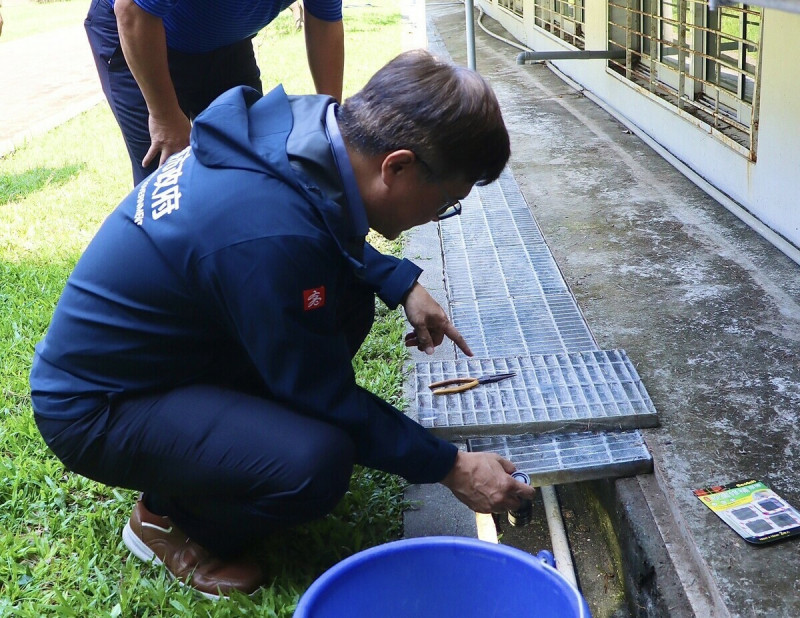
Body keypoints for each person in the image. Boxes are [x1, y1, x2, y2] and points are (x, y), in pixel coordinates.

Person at [30, 50, 535, 600]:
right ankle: (167, 522)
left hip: (167, 354)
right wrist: (452, 466)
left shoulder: (304, 126)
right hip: (99, 405)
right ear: (398, 166)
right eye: (445, 205)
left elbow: (311, 218)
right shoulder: (271, 235)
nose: (437, 218)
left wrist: (399, 280)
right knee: (316, 462)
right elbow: (324, 392)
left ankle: (222, 445)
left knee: (345, 302)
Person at [85, 0, 344, 186]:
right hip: (141, 32)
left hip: (224, 39)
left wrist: (329, 119)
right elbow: (131, 10)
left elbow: (325, 20)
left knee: (251, 161)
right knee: (166, 179)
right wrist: (165, 117)